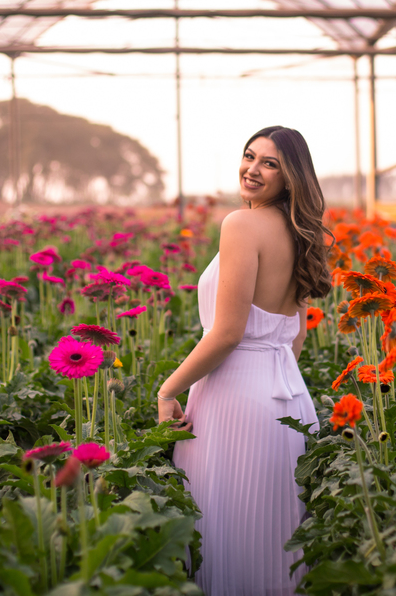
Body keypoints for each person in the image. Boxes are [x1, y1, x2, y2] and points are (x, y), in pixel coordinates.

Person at [158, 126, 331, 596]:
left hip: (233, 399)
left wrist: (168, 390)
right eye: (249, 156)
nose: (252, 169)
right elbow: (293, 337)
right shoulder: (301, 232)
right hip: (290, 401)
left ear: (291, 176)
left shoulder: (240, 224)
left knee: (223, 536)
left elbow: (228, 332)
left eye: (269, 163)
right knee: (279, 540)